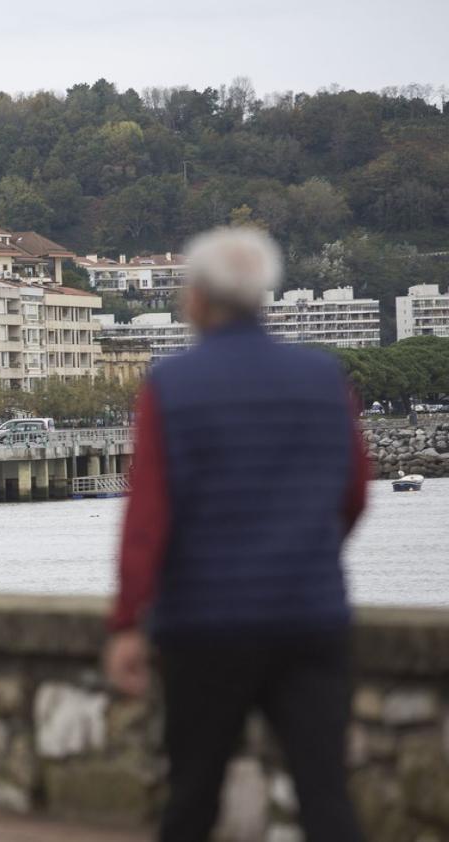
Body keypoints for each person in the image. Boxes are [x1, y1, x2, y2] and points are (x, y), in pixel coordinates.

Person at [104, 226, 368, 842]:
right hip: (310, 616)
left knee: (193, 795)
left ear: (196, 299)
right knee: (326, 795)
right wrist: (307, 551)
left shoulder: (172, 385)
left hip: (205, 625)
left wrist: (126, 622)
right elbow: (354, 492)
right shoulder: (323, 376)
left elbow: (148, 519)